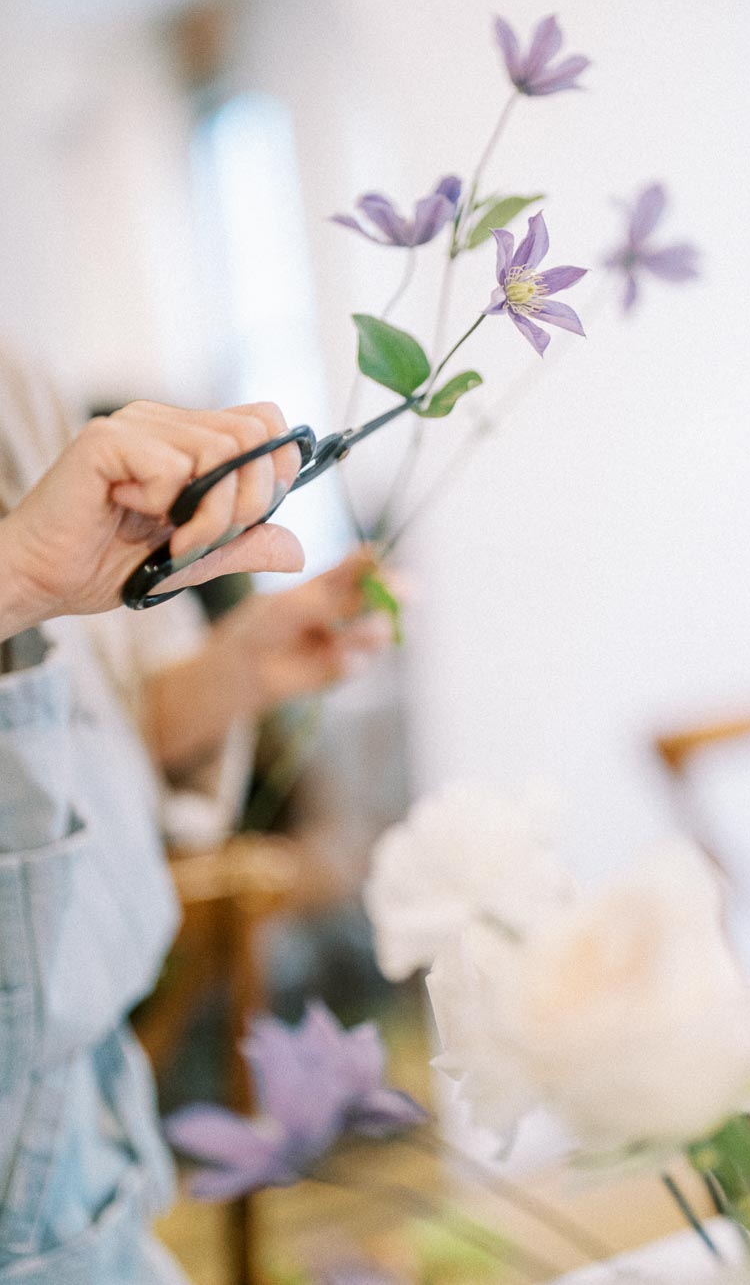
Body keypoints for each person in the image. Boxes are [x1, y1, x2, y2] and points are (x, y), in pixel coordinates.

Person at [0, 360, 391, 1282]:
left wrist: (240, 667)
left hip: (95, 1154)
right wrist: (13, 573)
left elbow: (73, 736)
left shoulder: (19, 378)